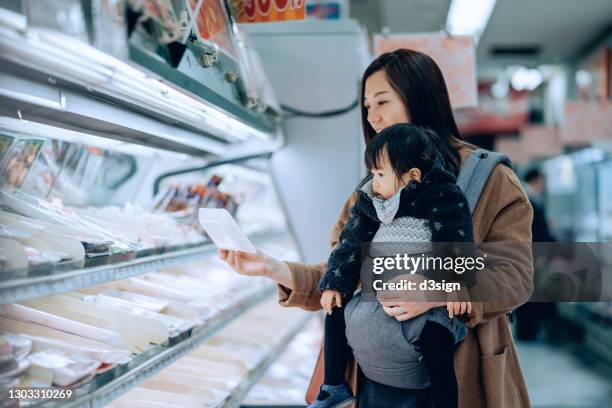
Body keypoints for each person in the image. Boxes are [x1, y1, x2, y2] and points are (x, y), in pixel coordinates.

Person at [219, 49, 534, 408]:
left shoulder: (492, 179)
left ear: (419, 97)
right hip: (375, 380)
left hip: (464, 379)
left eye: (382, 101)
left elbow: (517, 274)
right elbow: (344, 271)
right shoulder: (373, 189)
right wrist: (273, 268)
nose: (373, 116)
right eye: (367, 106)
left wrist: (438, 288)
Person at [311, 123, 473, 408]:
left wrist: (453, 285)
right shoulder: (371, 202)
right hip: (374, 300)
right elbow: (350, 241)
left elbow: (455, 240)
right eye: (372, 174)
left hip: (427, 307)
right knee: (335, 315)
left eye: (380, 174)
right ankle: (334, 385)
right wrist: (335, 283)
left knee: (437, 341)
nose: (373, 181)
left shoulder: (443, 197)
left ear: (412, 176)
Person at [515, 168, 556, 340]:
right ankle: (527, 331)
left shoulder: (526, 195)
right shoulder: (527, 197)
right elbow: (532, 230)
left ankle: (528, 330)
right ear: (536, 179)